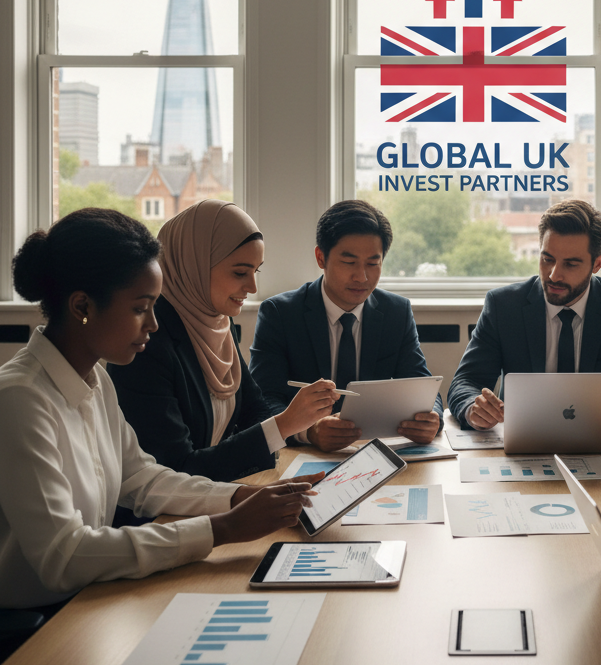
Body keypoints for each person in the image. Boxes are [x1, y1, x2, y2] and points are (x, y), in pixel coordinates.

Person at [0, 208, 322, 616]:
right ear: (82, 305)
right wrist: (223, 528)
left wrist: (242, 497)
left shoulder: (96, 382)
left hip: (89, 600)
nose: (153, 324)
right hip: (30, 628)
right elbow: (64, 557)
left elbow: (142, 478)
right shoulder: (20, 399)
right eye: (140, 308)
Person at [109, 200, 337, 481]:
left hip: (209, 498)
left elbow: (255, 408)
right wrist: (284, 424)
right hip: (166, 514)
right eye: (240, 272)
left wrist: (289, 425)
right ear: (194, 264)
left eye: (256, 271)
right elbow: (177, 469)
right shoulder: (147, 342)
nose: (252, 287)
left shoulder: (216, 323)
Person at [447, 199, 601, 431]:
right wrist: (473, 408)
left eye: (570, 264)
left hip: (599, 439)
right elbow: (465, 382)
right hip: (523, 439)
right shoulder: (503, 306)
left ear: (597, 263)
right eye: (547, 259)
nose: (554, 275)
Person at [249, 199, 443, 452]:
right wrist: (309, 432)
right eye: (349, 262)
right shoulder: (281, 313)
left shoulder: (396, 312)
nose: (362, 277)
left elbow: (421, 384)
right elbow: (263, 399)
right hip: (304, 455)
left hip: (376, 451)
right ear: (321, 257)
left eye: (373, 264)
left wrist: (431, 420)